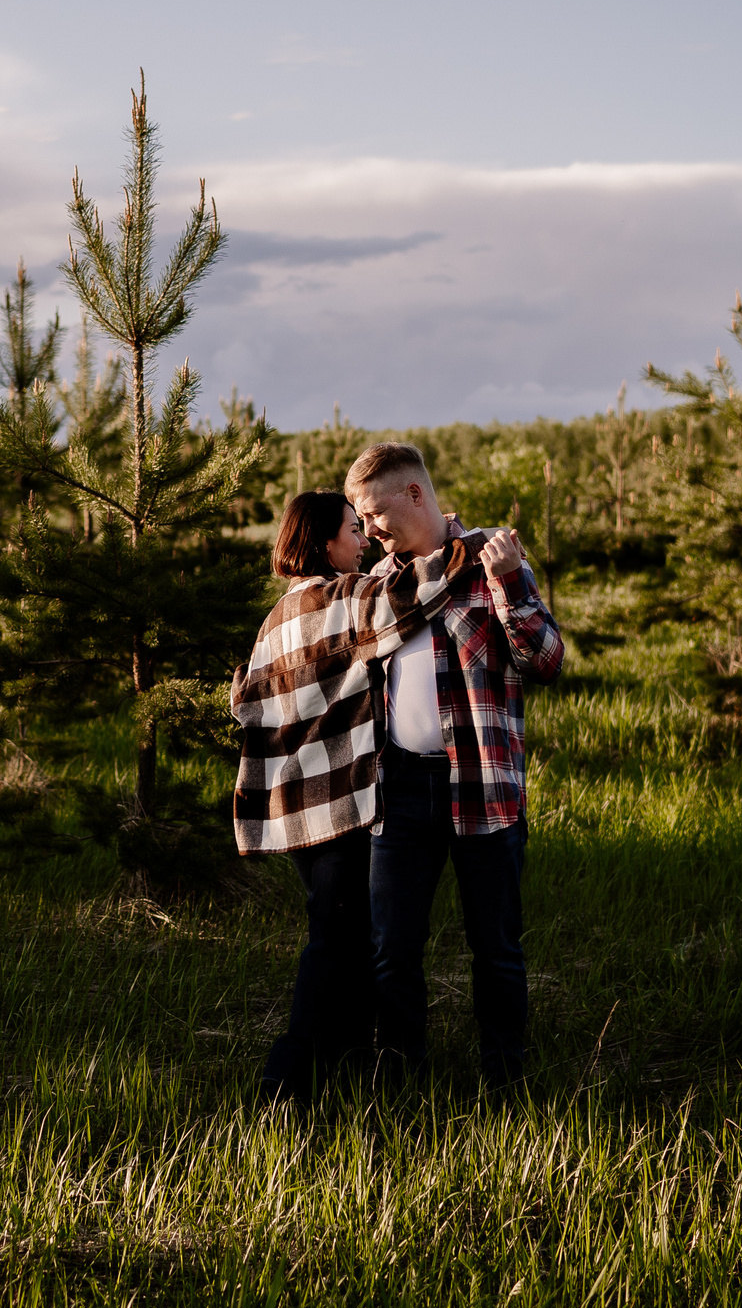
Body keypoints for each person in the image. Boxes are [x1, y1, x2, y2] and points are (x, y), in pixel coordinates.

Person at [233, 489, 527, 1103]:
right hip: (336, 803)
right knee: (336, 944)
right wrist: (474, 542)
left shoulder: (277, 616)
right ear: (324, 543)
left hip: (293, 806)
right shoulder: (342, 598)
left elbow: (244, 700)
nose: (363, 539)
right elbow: (414, 590)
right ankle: (287, 1078)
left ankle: (347, 1062)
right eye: (352, 528)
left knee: (351, 936)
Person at [345, 441, 563, 1094]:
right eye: (360, 519)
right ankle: (400, 1078)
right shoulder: (380, 585)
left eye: (375, 513)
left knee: (495, 947)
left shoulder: (491, 559)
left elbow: (546, 660)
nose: (369, 530)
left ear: (415, 494)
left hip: (482, 783)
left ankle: (504, 1081)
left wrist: (511, 583)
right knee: (392, 946)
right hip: (399, 786)